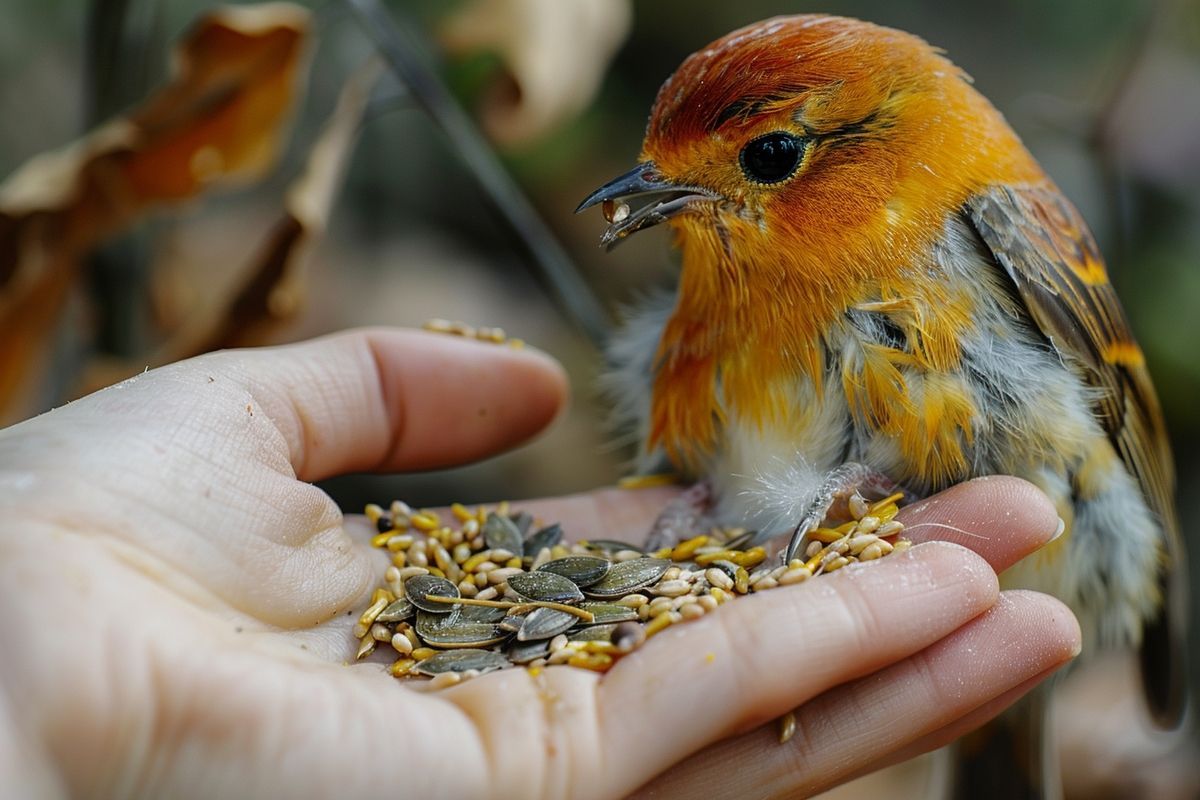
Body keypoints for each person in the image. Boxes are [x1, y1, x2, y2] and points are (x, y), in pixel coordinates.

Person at [0, 328, 1079, 798]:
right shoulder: (714, 281)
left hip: (984, 519)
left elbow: (1087, 422)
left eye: (758, 161)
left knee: (1004, 587)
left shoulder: (985, 230)